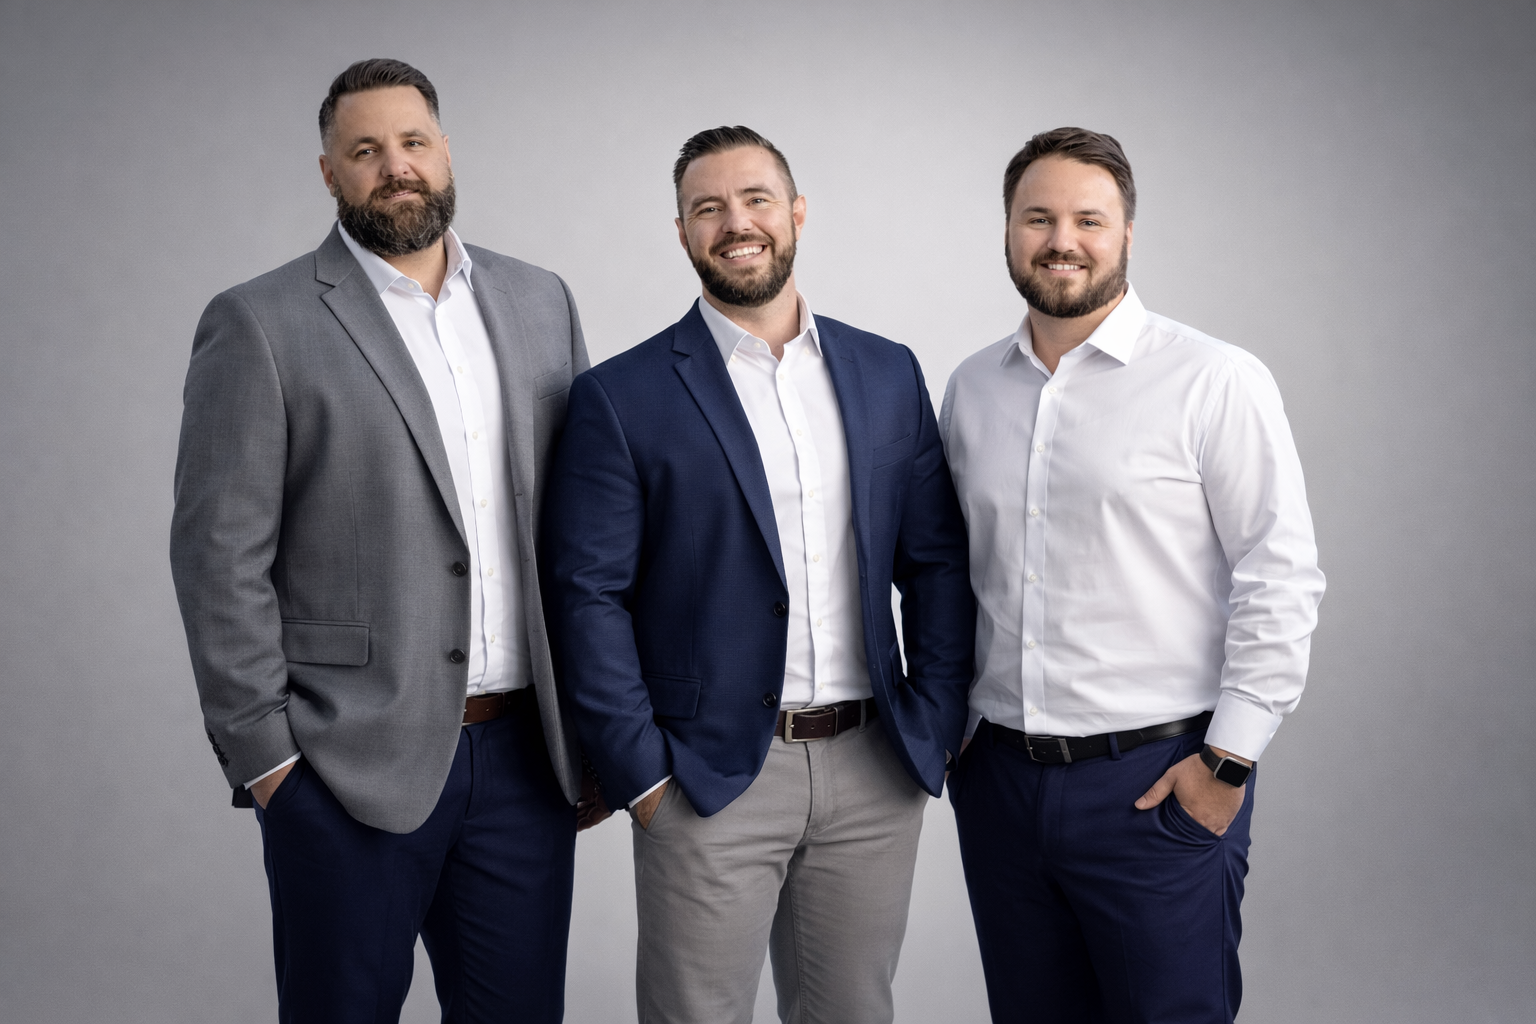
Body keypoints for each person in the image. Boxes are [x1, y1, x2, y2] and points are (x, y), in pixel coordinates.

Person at [169, 58, 597, 1023]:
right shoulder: (260, 322)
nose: (394, 166)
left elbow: (585, 530)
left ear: (446, 151)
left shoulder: (541, 301)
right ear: (329, 173)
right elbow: (217, 556)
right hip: (344, 764)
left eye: (411, 142)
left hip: (528, 761)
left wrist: (594, 726)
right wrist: (269, 762)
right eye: (365, 150)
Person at [543, 126, 975, 1024]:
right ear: (682, 232)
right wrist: (642, 775)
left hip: (874, 768)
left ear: (797, 213)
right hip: (706, 776)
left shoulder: (887, 372)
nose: (736, 223)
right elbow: (588, 596)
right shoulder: (621, 397)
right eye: (709, 208)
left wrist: (933, 724)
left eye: (756, 200)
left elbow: (935, 561)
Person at [940, 127, 1326, 1023]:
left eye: (1088, 219)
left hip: (1156, 782)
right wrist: (954, 736)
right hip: (999, 785)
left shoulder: (1212, 379)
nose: (1061, 241)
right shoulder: (972, 388)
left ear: (1126, 233)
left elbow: (1280, 572)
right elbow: (955, 569)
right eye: (1038, 218)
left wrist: (1226, 762)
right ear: (1008, 230)